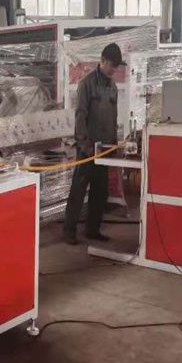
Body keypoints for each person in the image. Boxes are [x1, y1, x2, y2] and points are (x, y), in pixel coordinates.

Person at [63, 42, 124, 245]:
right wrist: (84, 144)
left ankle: (92, 229)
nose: (114, 70)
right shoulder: (87, 84)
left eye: (116, 67)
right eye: (112, 66)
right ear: (103, 60)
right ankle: (69, 231)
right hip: (87, 148)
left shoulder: (112, 87)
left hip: (105, 149)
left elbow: (113, 117)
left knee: (100, 191)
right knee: (78, 190)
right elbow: (80, 115)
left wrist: (114, 145)